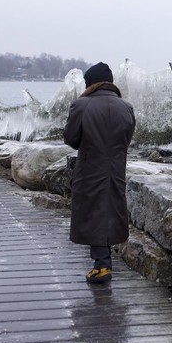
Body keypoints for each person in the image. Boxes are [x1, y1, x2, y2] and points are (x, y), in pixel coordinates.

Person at [63, 62, 136, 283]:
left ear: (91, 83)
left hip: (90, 168)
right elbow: (126, 140)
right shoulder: (127, 107)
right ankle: (103, 263)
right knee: (108, 211)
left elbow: (71, 138)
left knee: (94, 213)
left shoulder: (82, 105)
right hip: (115, 169)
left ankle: (102, 266)